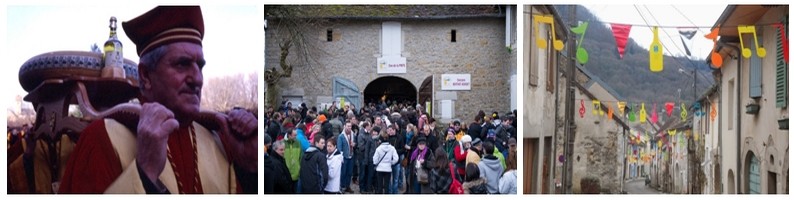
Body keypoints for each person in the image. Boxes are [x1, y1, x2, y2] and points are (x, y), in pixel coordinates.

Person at [59, 6, 257, 194]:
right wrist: (144, 173)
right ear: (145, 75)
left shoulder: (218, 141)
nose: (197, 78)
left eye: (200, 66)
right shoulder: (101, 138)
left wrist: (250, 168)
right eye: (182, 64)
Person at [386, 125, 405, 194]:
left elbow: (403, 149)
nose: (389, 132)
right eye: (388, 130)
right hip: (388, 161)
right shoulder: (387, 137)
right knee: (388, 179)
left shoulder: (399, 137)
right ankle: (389, 192)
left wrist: (394, 151)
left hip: (396, 161)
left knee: (395, 179)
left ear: (394, 130)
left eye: (391, 130)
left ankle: (395, 193)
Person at [336, 122, 354, 193]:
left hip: (351, 156)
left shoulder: (352, 135)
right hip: (344, 157)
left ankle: (347, 186)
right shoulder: (341, 136)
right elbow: (339, 148)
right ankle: (342, 186)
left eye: (350, 126)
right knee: (343, 172)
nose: (349, 128)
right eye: (348, 126)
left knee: (349, 173)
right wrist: (341, 158)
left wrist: (354, 145)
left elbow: (354, 144)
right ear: (344, 126)